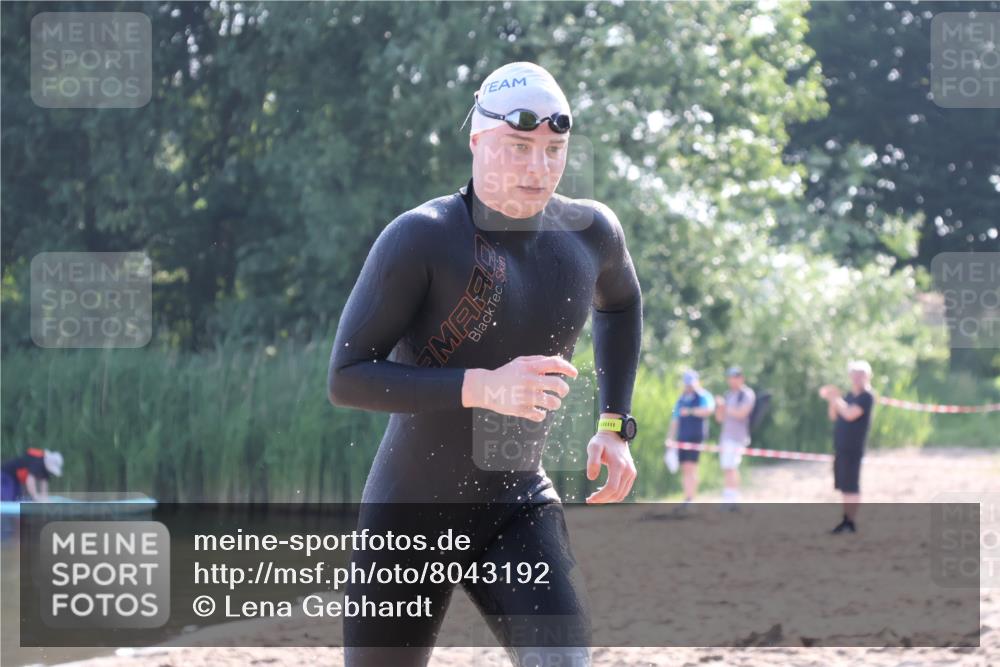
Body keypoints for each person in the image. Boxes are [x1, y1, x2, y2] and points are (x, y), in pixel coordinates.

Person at [327, 61, 642, 667]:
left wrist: (615, 424)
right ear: (478, 141)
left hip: (518, 505)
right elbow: (347, 378)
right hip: (408, 521)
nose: (539, 167)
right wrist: (483, 387)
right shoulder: (422, 237)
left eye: (555, 149)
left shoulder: (590, 232)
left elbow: (622, 304)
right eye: (520, 147)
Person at [819, 360, 875, 534]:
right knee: (844, 485)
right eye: (855, 374)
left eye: (861, 374)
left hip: (853, 447)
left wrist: (836, 399)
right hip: (841, 447)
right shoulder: (850, 396)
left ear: (867, 376)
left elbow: (850, 414)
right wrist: (832, 400)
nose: (857, 378)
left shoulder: (866, 396)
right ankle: (846, 518)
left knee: (851, 485)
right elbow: (834, 415)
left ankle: (851, 521)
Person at [666, 369, 715, 508]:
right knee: (685, 468)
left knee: (691, 467)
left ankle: (690, 498)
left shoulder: (703, 396)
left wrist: (690, 412)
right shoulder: (681, 400)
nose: (689, 387)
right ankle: (688, 497)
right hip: (682, 438)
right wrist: (670, 438)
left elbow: (708, 411)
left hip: (695, 437)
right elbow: (674, 421)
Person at [714, 366, 755, 509]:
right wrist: (719, 408)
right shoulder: (728, 395)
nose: (733, 380)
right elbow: (719, 419)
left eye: (736, 377)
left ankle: (732, 498)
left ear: (741, 378)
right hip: (726, 435)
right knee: (727, 467)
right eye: (731, 377)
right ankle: (731, 497)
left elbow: (742, 413)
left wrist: (725, 407)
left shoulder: (747, 394)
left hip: (738, 436)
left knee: (732, 466)